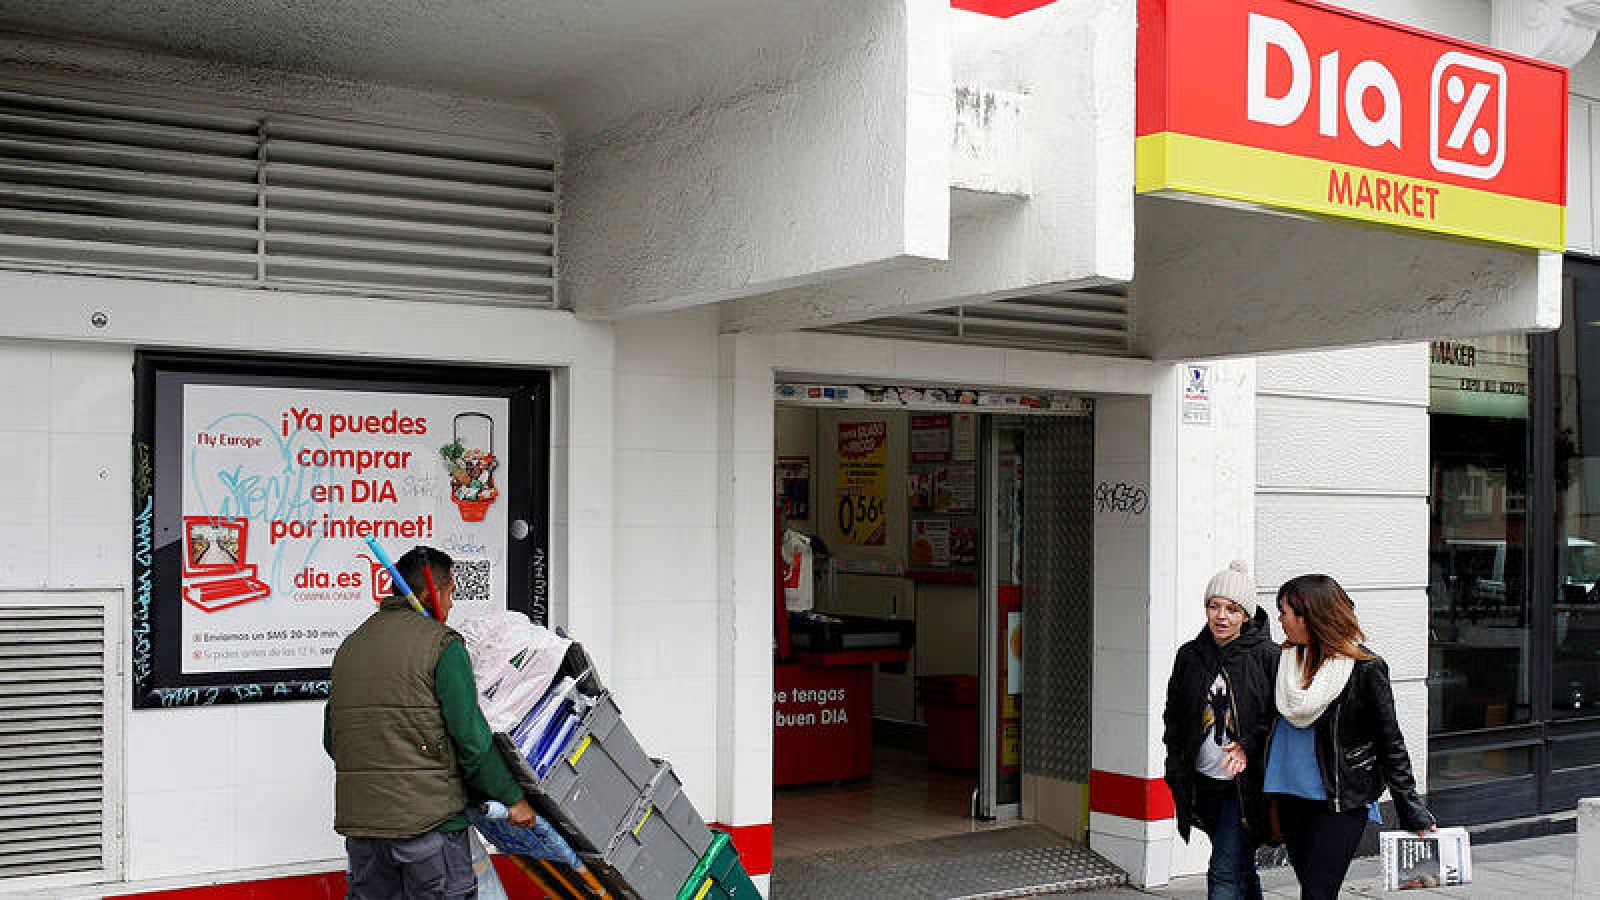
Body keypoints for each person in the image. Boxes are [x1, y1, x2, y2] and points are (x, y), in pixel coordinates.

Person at [324, 545, 537, 899]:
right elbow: (471, 739)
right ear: (430, 593)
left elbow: (334, 740)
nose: (451, 605)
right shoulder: (442, 646)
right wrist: (512, 798)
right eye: (450, 593)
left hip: (363, 831)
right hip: (429, 828)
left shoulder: (350, 647)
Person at [1263, 574, 1435, 900]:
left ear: (1309, 616)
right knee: (1312, 888)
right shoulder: (1281, 662)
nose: (1280, 619)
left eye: (1284, 611)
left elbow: (1390, 742)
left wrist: (1411, 808)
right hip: (1288, 794)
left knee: (1318, 892)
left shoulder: (1365, 669)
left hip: (1340, 799)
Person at [1162, 560, 1281, 900]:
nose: (1221, 616)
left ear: (1246, 615)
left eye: (1232, 609)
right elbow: (1174, 715)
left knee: (1223, 872)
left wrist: (1248, 746)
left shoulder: (1267, 657)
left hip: (1244, 785)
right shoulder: (1190, 656)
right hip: (1202, 779)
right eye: (1214, 606)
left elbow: (1278, 719)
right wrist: (1176, 763)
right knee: (1240, 864)